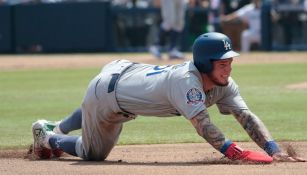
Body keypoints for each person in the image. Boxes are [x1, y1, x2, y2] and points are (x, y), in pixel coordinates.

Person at [32, 32, 305, 163]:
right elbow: (203, 126)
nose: (229, 66)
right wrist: (235, 153)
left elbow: (245, 116)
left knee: (95, 110)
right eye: (222, 62)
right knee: (92, 153)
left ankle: (61, 125)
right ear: (204, 63)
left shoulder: (223, 82)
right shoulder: (187, 82)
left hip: (124, 72)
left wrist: (273, 149)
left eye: (230, 60)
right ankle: (49, 135)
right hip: (108, 95)